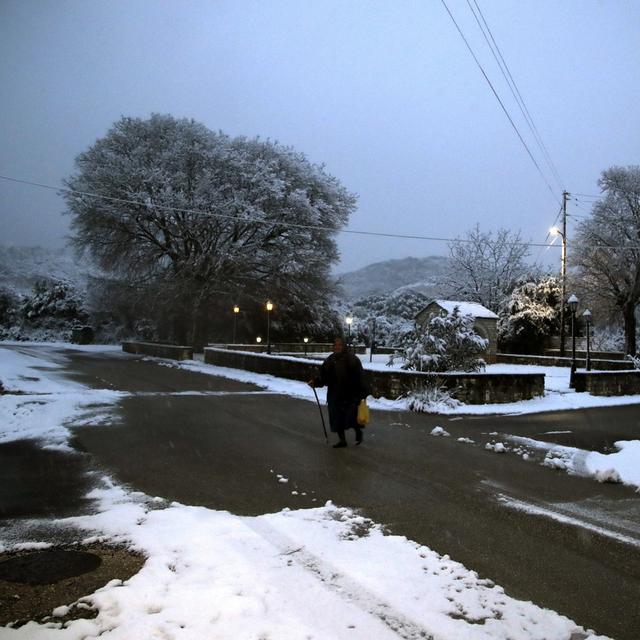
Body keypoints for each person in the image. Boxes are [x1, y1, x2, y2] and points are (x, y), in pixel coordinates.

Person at [309, 337, 369, 448]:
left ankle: (358, 432)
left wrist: (363, 392)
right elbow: (323, 376)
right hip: (334, 394)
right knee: (336, 418)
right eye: (335, 345)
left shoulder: (352, 359)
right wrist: (316, 382)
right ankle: (342, 440)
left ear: (344, 346)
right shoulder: (330, 360)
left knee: (351, 417)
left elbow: (360, 376)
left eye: (339, 345)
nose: (337, 347)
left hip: (350, 394)